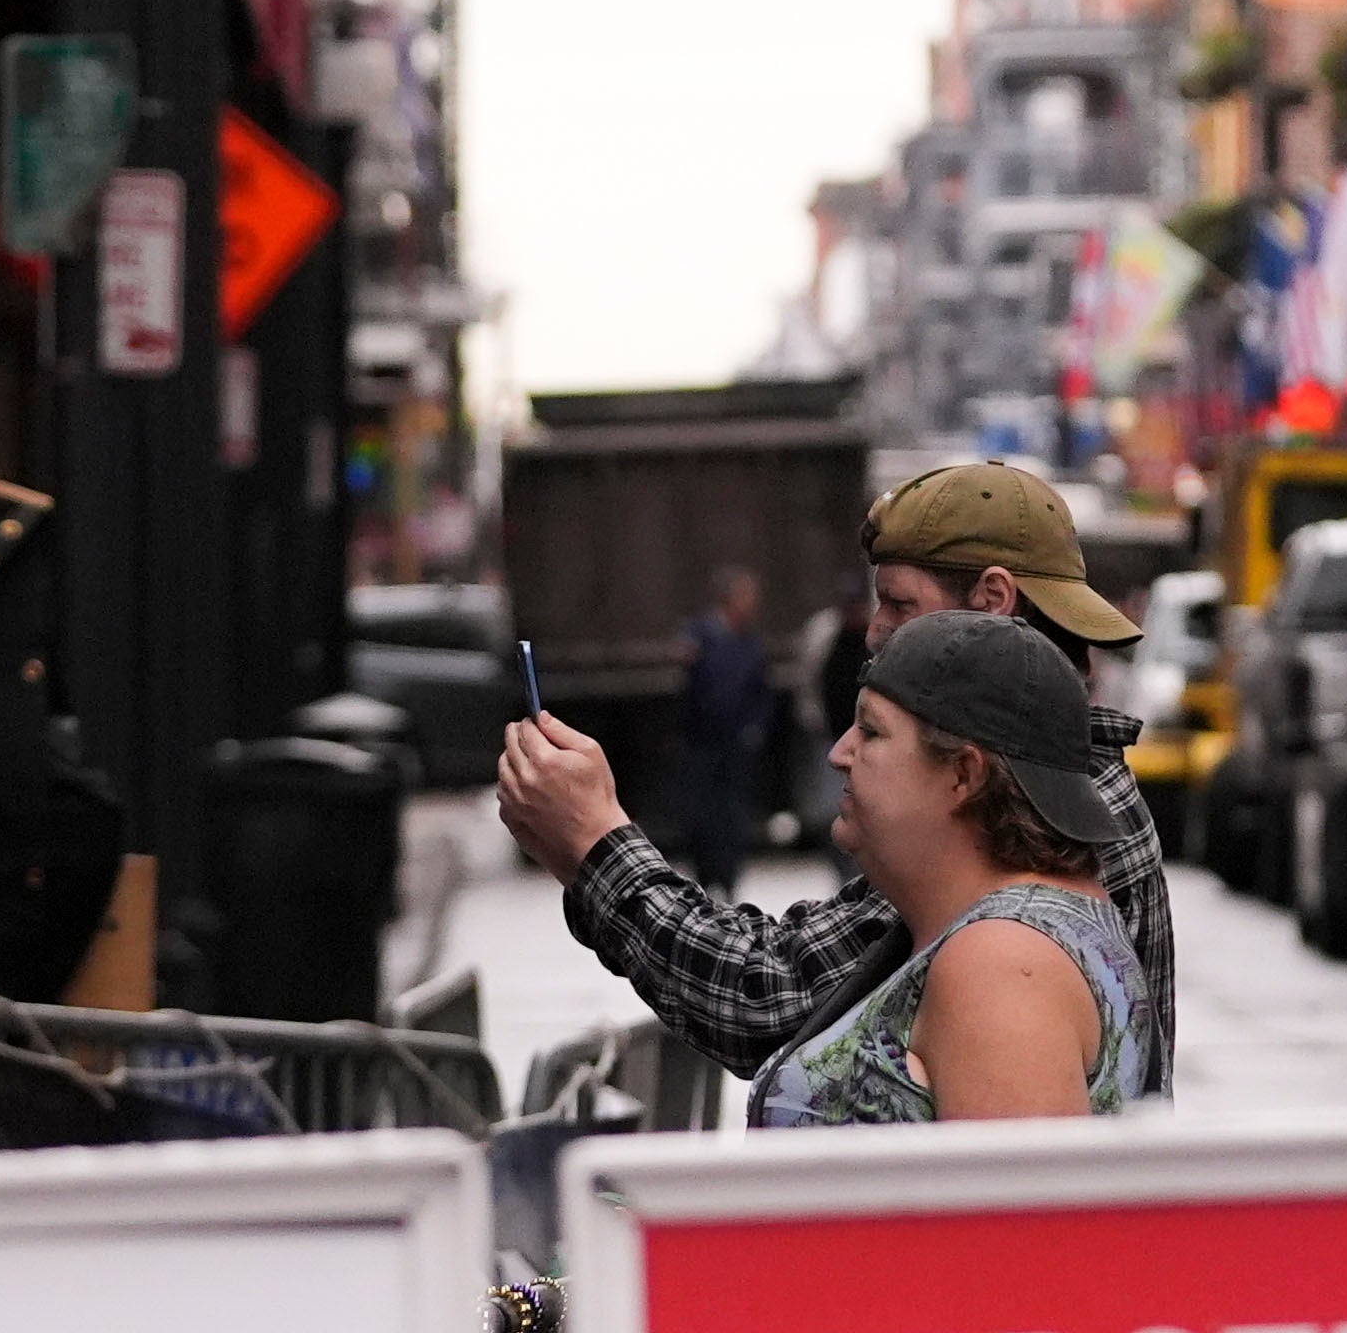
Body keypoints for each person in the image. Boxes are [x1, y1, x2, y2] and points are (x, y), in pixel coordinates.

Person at [494, 458, 1178, 1100]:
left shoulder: (1040, 837)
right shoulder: (1048, 800)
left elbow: (771, 996)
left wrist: (595, 844)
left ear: (993, 599)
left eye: (900, 604)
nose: (876, 630)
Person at [745, 613, 1151, 1126]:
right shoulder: (1008, 935)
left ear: (963, 774)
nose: (839, 753)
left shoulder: (1004, 965)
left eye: (870, 731)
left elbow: (1015, 1204)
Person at [671, 566, 777, 884]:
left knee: (733, 816)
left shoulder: (750, 643)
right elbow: (690, 688)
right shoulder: (701, 636)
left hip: (735, 744)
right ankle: (706, 877)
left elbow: (760, 690)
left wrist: (754, 728)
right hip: (703, 741)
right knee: (702, 814)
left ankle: (729, 878)